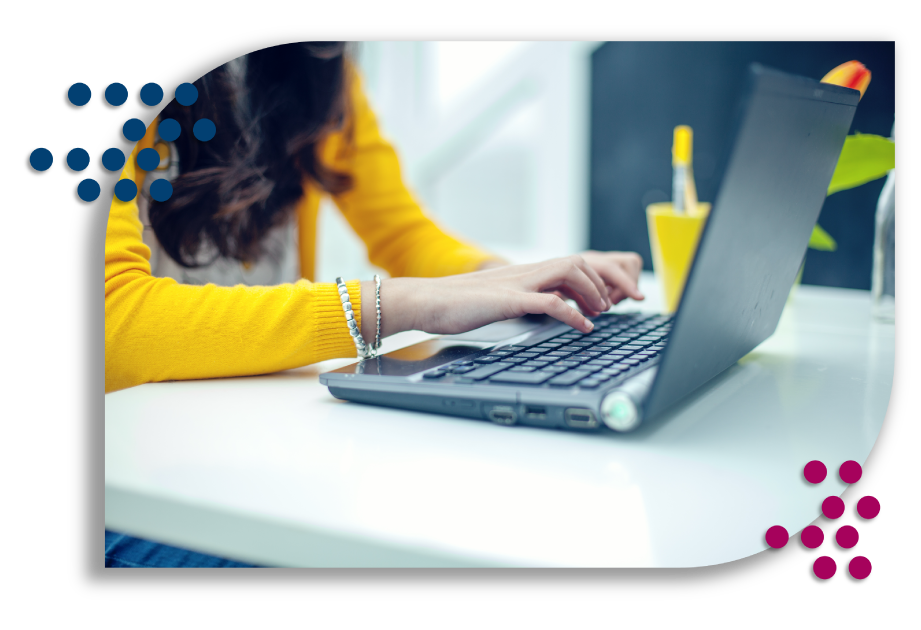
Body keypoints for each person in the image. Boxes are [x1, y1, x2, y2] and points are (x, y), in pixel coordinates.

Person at [104, 42, 644, 567]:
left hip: (246, 439)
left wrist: (510, 284)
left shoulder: (317, 66)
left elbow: (403, 234)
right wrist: (395, 304)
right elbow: (117, 321)